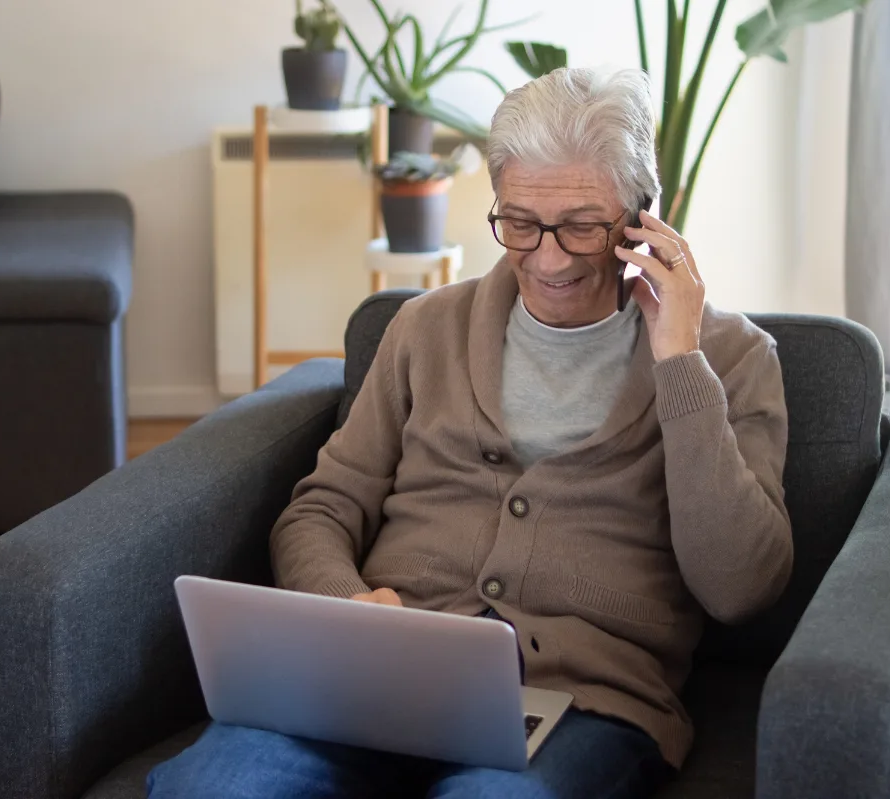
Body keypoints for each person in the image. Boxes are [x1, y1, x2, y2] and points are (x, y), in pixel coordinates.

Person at [147, 66, 793, 799]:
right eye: (519, 222)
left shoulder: (732, 359)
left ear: (647, 216)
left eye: (582, 225)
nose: (548, 260)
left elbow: (740, 586)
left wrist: (680, 360)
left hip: (580, 700)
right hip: (371, 676)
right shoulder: (427, 329)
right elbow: (320, 510)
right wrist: (348, 607)